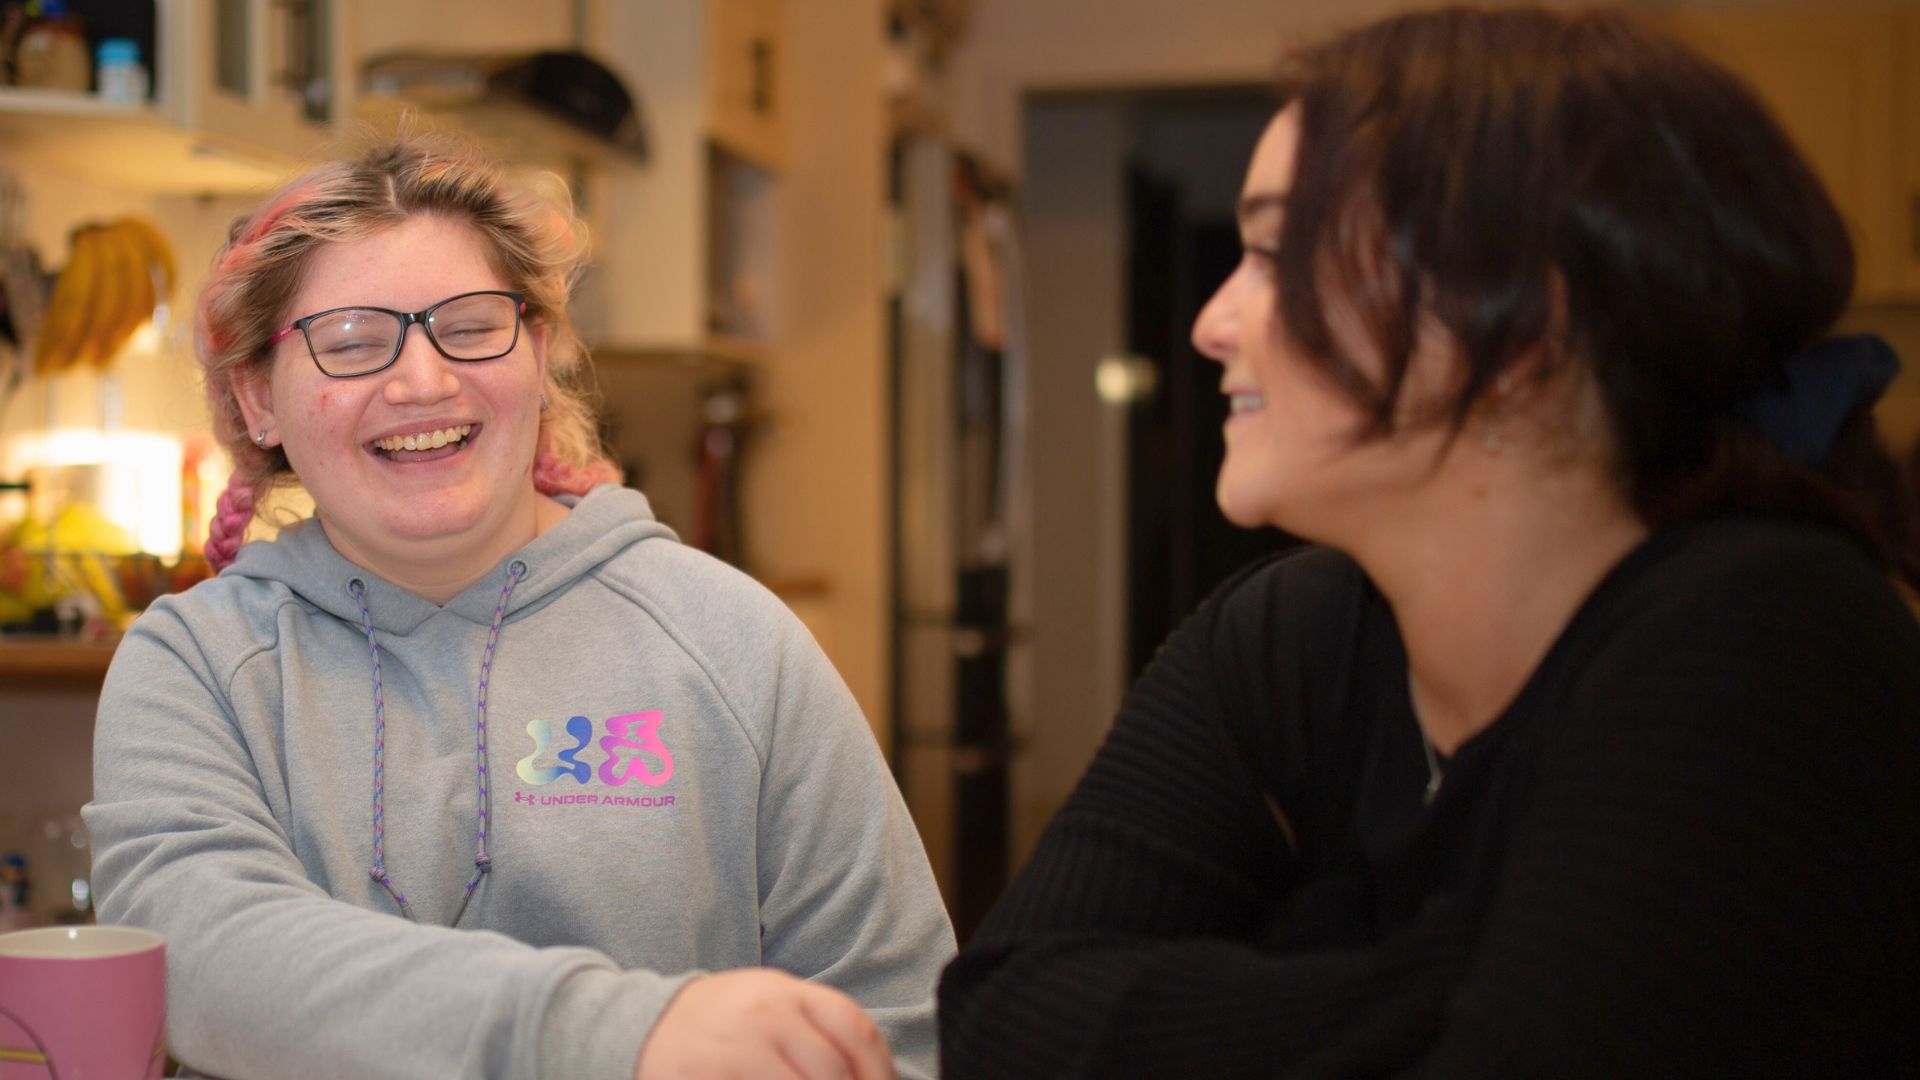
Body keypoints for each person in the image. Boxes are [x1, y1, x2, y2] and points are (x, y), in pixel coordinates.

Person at [938, 7, 1920, 1077]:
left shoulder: (1767, 637)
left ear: (1513, 329)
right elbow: (1000, 1015)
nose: (1213, 321)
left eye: (1275, 251)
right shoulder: (1286, 636)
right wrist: (1471, 969)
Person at [83, 133, 954, 1080]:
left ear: (538, 352)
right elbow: (203, 961)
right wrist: (615, 1035)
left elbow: (902, 1022)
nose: (423, 380)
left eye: (469, 325)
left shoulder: (732, 642)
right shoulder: (196, 667)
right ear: (257, 398)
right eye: (350, 341)